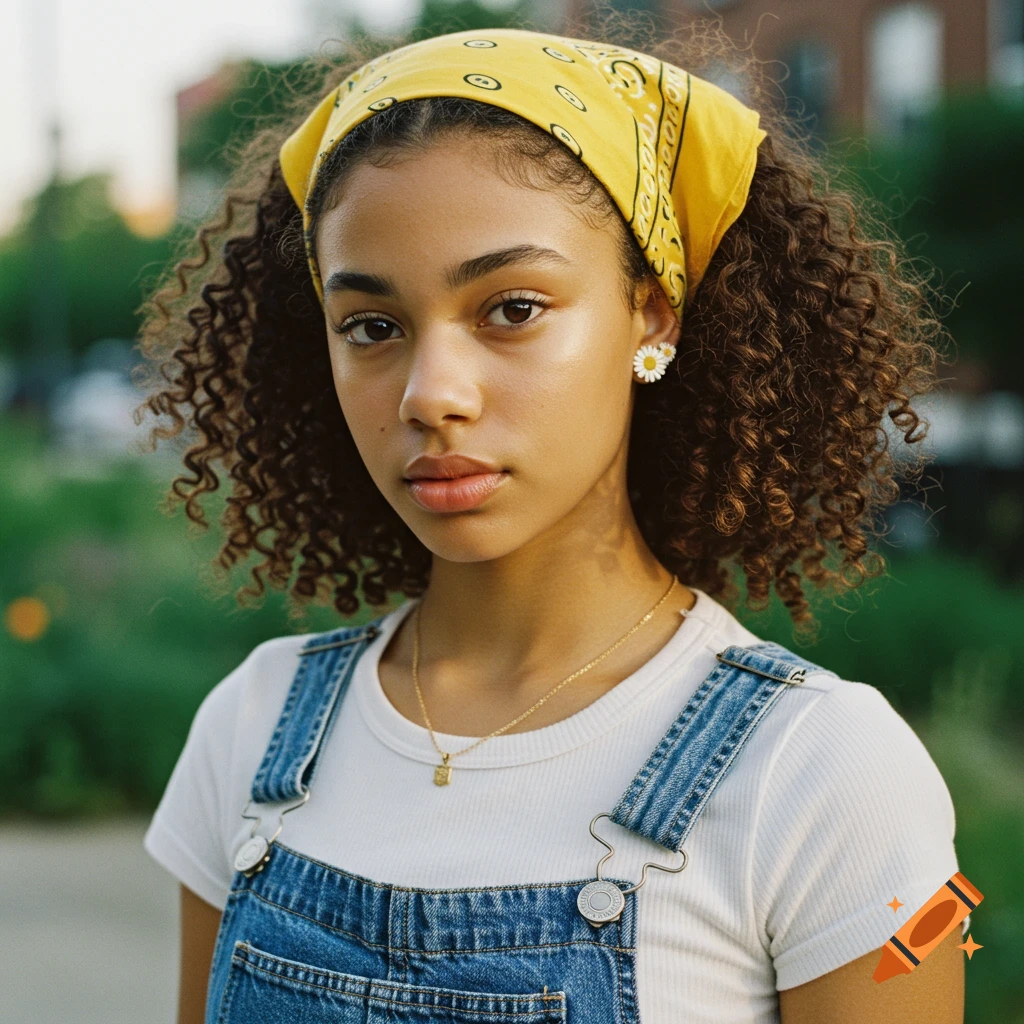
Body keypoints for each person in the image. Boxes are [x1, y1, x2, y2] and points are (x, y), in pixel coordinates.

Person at [136, 17, 966, 1024]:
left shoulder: (821, 774)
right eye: (371, 327)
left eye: (512, 308)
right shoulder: (252, 727)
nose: (430, 393)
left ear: (651, 314)